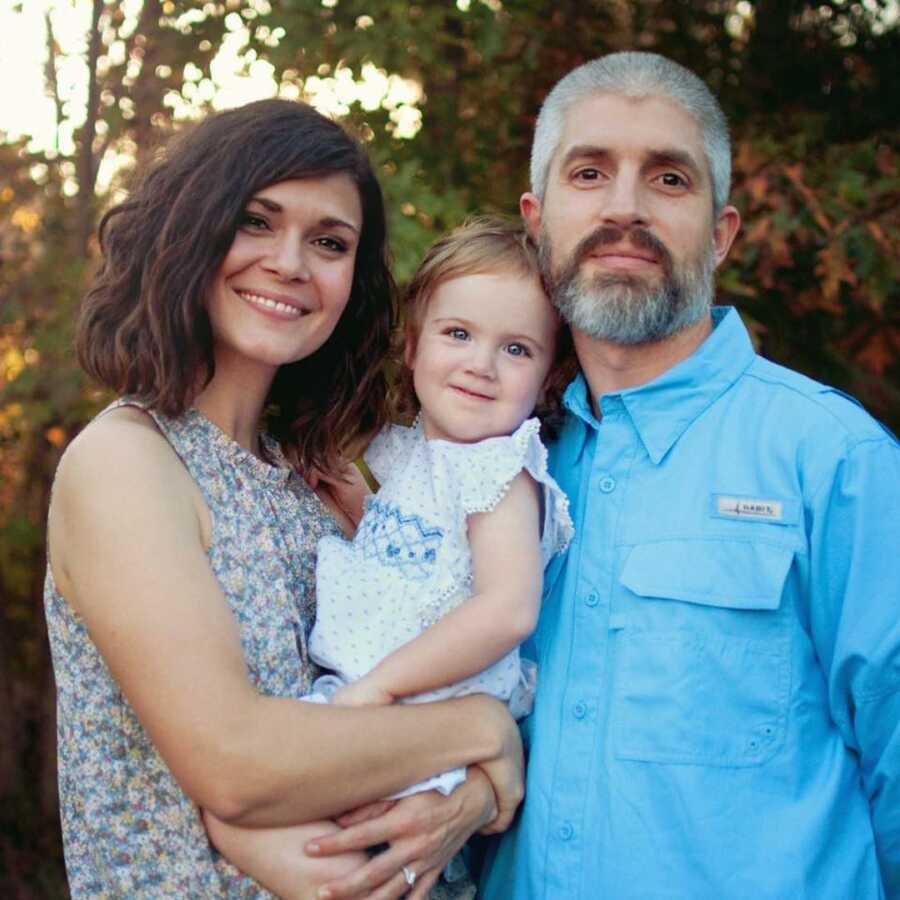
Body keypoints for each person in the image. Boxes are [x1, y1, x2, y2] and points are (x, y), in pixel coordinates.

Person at [44, 98, 524, 900]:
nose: (291, 264)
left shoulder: (309, 482)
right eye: (257, 222)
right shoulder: (128, 463)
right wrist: (485, 733)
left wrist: (473, 794)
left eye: (329, 243)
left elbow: (437, 677)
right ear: (190, 230)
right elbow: (235, 766)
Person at [480, 51, 900, 899]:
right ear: (538, 221)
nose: (625, 208)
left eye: (669, 178)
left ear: (720, 232)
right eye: (590, 172)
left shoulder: (836, 461)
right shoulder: (503, 467)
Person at [203, 218, 574, 897]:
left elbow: (507, 608)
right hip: (368, 708)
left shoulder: (500, 471)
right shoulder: (415, 458)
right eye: (457, 334)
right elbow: (422, 563)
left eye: (516, 349)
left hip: (421, 718)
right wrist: (357, 508)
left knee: (258, 819)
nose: (479, 364)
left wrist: (382, 688)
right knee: (236, 816)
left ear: (548, 376)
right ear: (413, 345)